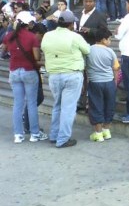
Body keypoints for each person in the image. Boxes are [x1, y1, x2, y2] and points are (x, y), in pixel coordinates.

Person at [41, 10, 90, 148]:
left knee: (57, 105)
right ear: (71, 24)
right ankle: (62, 139)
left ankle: (54, 135)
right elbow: (87, 50)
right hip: (72, 74)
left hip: (54, 75)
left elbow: (44, 49)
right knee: (68, 108)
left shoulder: (47, 35)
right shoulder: (75, 36)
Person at [3, 11, 48, 143]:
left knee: (18, 104)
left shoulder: (9, 36)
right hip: (29, 71)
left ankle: (18, 134)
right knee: (31, 103)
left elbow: (3, 51)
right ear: (28, 23)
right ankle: (34, 134)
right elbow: (36, 57)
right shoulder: (32, 37)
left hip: (14, 71)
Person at [86, 27, 120, 142]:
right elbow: (116, 68)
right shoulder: (110, 52)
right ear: (102, 39)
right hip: (109, 82)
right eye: (109, 39)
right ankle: (107, 130)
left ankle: (98, 133)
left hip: (95, 82)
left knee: (96, 106)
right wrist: (115, 81)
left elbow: (85, 68)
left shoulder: (89, 50)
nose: (110, 41)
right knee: (109, 106)